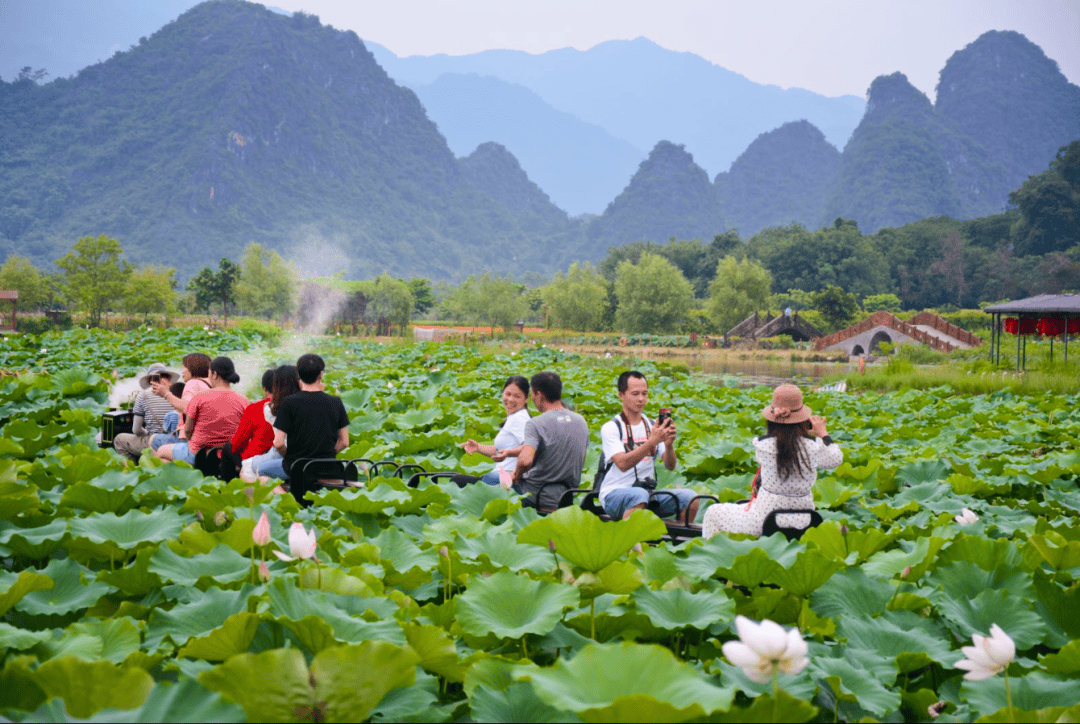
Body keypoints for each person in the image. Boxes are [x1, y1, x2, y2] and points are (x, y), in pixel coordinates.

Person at [702, 384, 842, 538]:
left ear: (772, 418)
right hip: (805, 523)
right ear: (803, 419)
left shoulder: (762, 445)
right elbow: (836, 459)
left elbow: (783, 447)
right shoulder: (815, 446)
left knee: (713, 512)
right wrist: (823, 434)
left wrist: (797, 433)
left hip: (763, 521)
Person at [597, 370, 698, 521]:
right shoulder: (612, 427)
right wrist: (652, 441)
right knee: (639, 495)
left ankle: (678, 543)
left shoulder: (652, 425)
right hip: (614, 494)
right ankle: (631, 543)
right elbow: (622, 463)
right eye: (635, 393)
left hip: (648, 494)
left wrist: (669, 445)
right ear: (621, 395)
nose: (641, 399)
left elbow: (670, 466)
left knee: (691, 498)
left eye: (645, 394)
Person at [273, 354, 349, 499]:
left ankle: (284, 503)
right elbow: (345, 442)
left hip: (298, 468)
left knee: (260, 475)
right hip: (330, 468)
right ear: (320, 375)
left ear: (298, 376)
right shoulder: (336, 402)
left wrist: (290, 457)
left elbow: (278, 443)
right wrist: (327, 455)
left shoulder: (289, 403)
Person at [512, 371, 589, 509]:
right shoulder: (581, 421)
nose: (532, 400)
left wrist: (516, 475)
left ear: (540, 395)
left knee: (488, 482)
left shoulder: (535, 423)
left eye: (533, 395)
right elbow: (581, 461)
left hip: (535, 495)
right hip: (567, 496)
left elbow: (525, 460)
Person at [156, 357, 249, 465]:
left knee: (161, 451)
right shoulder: (244, 400)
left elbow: (187, 430)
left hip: (199, 454)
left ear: (214, 374)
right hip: (228, 455)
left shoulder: (199, 397)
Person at [461, 375, 531, 485]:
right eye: (508, 394)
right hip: (500, 476)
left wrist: (514, 474)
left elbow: (530, 448)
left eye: (517, 396)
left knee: (455, 481)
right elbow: (502, 450)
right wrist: (478, 447)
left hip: (506, 478)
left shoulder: (519, 419)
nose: (510, 399)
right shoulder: (516, 416)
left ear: (526, 398)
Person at [242, 365, 301, 482]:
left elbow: (278, 444)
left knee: (246, 468)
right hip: (308, 456)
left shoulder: (271, 409)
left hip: (283, 455)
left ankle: (271, 497)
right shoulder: (306, 405)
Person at [112, 363, 179, 462]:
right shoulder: (178, 393)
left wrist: (146, 432)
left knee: (119, 440)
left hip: (154, 441)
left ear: (149, 380)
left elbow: (136, 430)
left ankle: (133, 468)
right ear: (168, 378)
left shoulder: (143, 396)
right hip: (176, 441)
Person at [149, 353, 211, 450]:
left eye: (185, 367)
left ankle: (166, 465)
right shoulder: (211, 384)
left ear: (193, 368)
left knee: (154, 439)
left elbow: (188, 408)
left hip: (190, 441)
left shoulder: (192, 383)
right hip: (208, 439)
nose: (182, 370)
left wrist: (166, 394)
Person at [230, 368, 276, 460]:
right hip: (283, 459)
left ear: (265, 388)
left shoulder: (255, 408)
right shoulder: (293, 406)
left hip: (254, 458)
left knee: (229, 448)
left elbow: (238, 443)